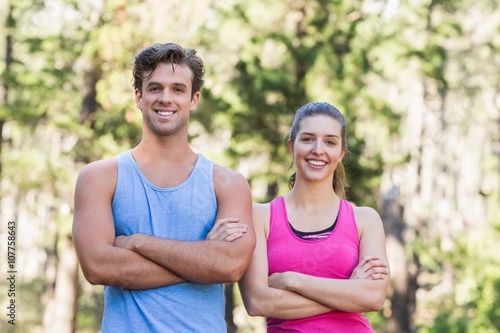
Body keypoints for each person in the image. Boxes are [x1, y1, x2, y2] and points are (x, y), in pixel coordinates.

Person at [72, 42, 256, 332]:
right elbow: (98, 267)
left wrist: (136, 243)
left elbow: (231, 266)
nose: (165, 98)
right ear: (138, 96)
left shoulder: (228, 184)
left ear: (194, 100)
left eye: (178, 89)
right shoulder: (100, 178)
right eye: (155, 88)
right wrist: (204, 257)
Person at [238, 102, 390, 332]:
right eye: (308, 139)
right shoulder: (260, 216)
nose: (318, 149)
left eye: (330, 142)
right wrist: (348, 291)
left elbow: (373, 298)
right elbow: (257, 302)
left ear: (341, 153)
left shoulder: (365, 220)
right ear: (292, 146)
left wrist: (293, 281)